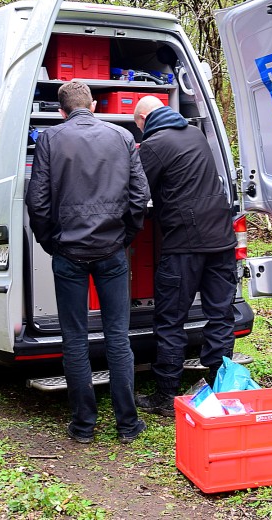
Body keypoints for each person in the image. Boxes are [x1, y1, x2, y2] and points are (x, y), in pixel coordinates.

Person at [26, 80, 150, 444]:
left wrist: (52, 242)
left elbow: (39, 201)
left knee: (75, 340)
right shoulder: (122, 137)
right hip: (112, 251)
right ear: (93, 105)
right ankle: (127, 425)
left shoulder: (49, 139)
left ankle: (83, 426)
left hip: (69, 253)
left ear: (62, 110)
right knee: (117, 337)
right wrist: (123, 238)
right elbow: (139, 196)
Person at [132, 95, 238, 417]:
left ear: (141, 120)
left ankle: (165, 396)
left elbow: (136, 190)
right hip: (222, 239)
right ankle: (219, 391)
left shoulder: (152, 145)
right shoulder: (195, 133)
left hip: (185, 244)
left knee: (170, 321)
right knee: (220, 315)